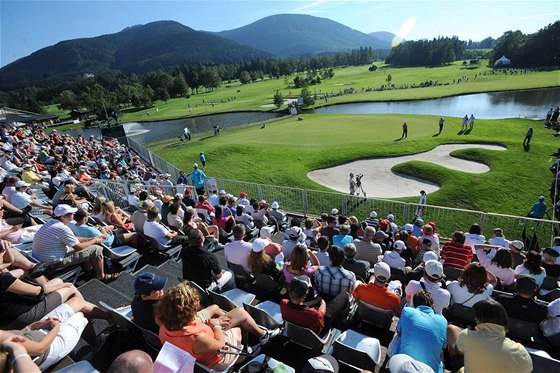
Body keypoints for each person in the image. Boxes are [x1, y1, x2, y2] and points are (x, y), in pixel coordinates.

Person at [156, 283, 270, 371]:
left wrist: (213, 323)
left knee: (219, 310)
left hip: (199, 349)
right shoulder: (197, 337)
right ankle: (260, 339)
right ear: (187, 312)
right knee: (240, 317)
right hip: (218, 360)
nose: (196, 310)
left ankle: (257, 333)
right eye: (194, 309)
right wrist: (216, 326)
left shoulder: (163, 325)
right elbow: (221, 346)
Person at [32, 205, 118, 282]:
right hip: (52, 264)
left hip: (40, 260)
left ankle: (88, 271)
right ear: (63, 216)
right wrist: (95, 240)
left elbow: (73, 239)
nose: (73, 214)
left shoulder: (51, 223)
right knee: (97, 249)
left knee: (87, 246)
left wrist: (88, 239)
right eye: (71, 213)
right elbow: (79, 248)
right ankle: (101, 276)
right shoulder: (62, 228)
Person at [449, 300, 533, 372]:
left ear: (479, 319)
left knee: (451, 329)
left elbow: (459, 352)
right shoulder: (521, 351)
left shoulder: (466, 335)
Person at [390, 290, 447, 373]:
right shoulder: (443, 321)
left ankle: (389, 364)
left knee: (397, 334)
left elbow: (399, 332)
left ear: (414, 303)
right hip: (431, 370)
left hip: (403, 364)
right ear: (432, 305)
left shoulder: (407, 311)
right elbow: (443, 346)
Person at [280, 275, 347, 336]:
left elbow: (299, 305)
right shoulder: (313, 313)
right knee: (344, 295)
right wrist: (323, 302)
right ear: (305, 294)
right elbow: (321, 314)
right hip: (314, 335)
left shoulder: (283, 303)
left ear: (289, 290)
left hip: (293, 331)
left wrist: (316, 301)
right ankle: (344, 319)